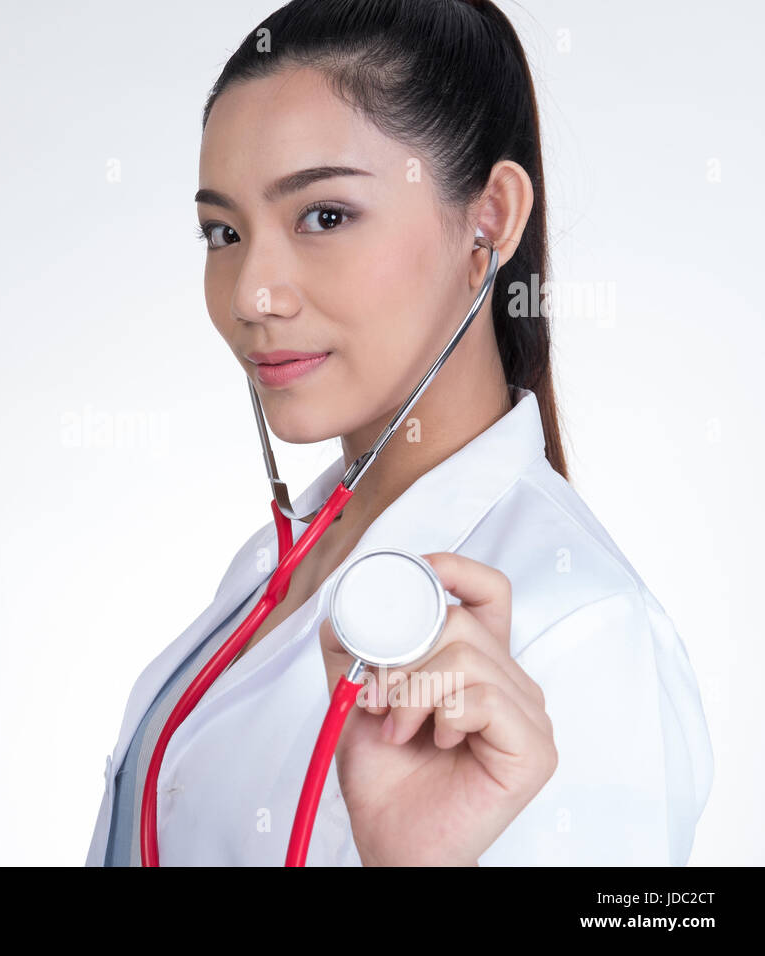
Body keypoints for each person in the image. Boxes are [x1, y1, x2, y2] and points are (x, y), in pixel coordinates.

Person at [86, 0, 713, 866]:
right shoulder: (284, 564)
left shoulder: (581, 633)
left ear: (490, 217)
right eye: (223, 232)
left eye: (324, 216)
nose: (250, 295)